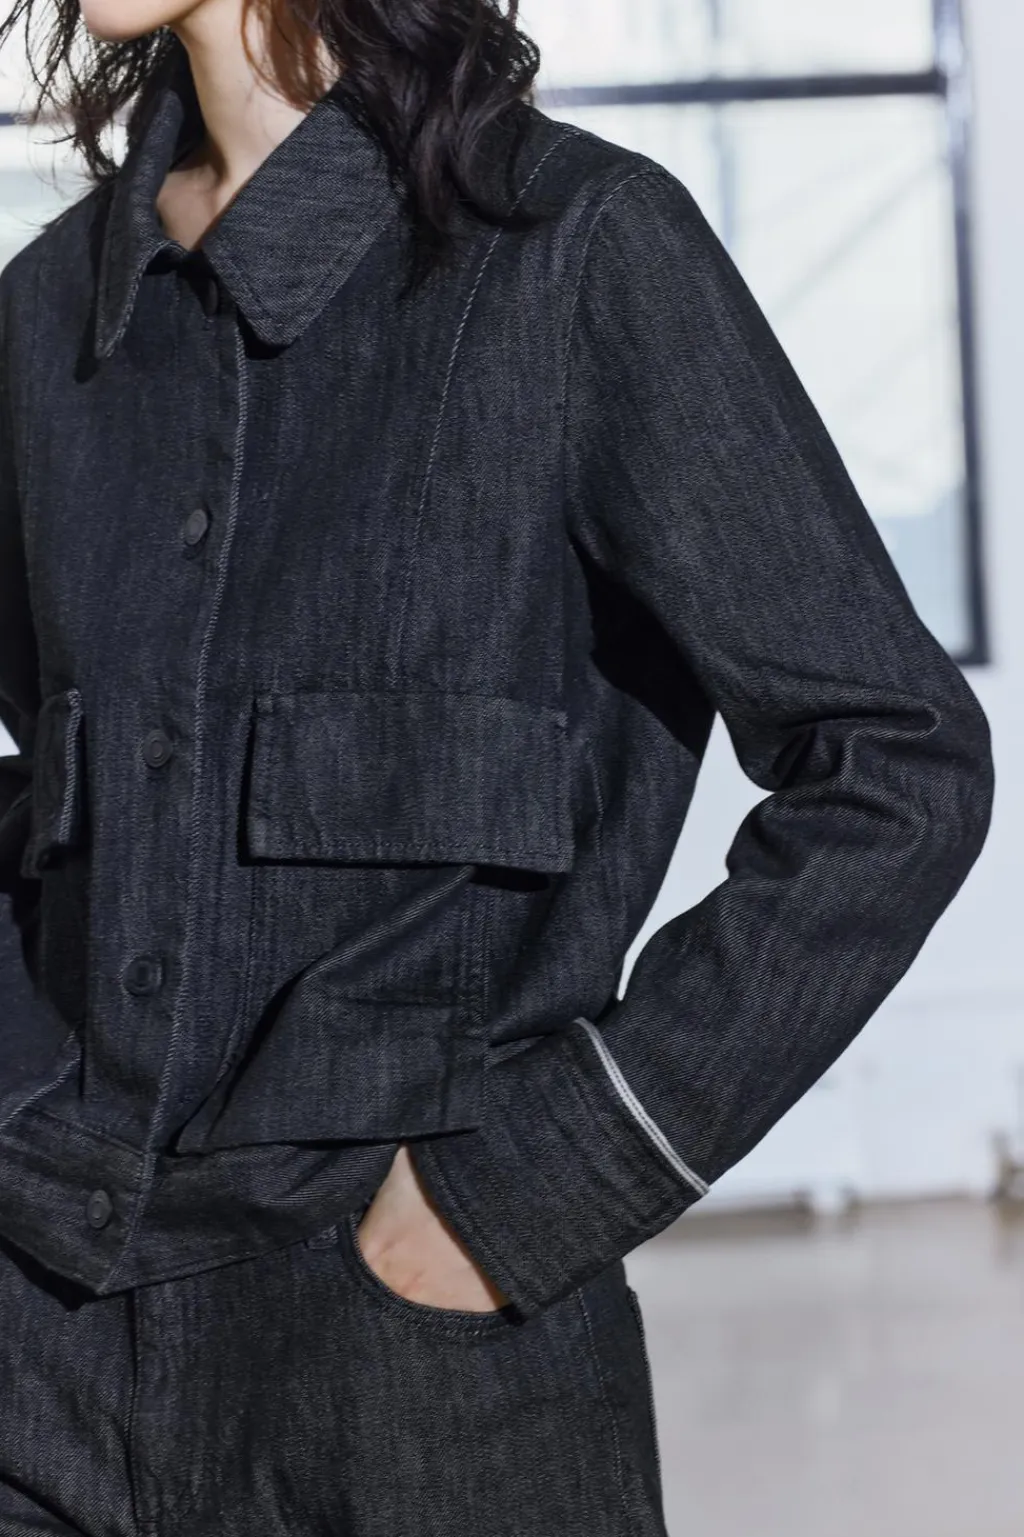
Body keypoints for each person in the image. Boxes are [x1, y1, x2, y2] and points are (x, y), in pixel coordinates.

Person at [0, 0, 994, 1532]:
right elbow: (56, 800)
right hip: (40, 1358)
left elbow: (897, 764)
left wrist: (541, 1184)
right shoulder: (44, 318)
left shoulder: (576, 251)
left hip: (409, 1386)